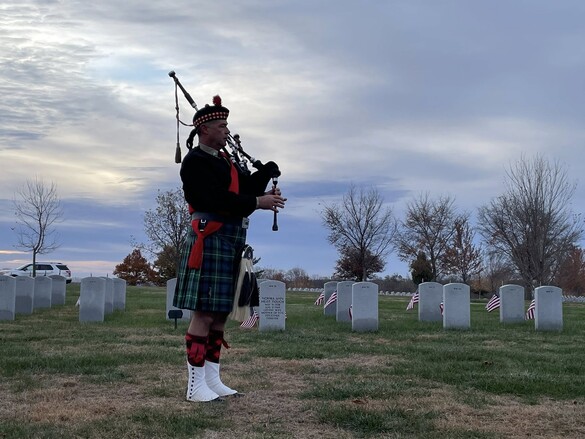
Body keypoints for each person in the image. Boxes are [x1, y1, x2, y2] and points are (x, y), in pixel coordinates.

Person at [173, 95, 286, 402]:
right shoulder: (195, 162)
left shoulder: (225, 161)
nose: (226, 130)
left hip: (230, 240)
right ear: (205, 128)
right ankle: (195, 385)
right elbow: (215, 200)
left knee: (220, 314)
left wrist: (264, 176)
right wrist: (257, 203)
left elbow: (244, 189)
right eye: (222, 125)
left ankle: (212, 380)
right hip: (209, 239)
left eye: (226, 125)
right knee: (204, 313)